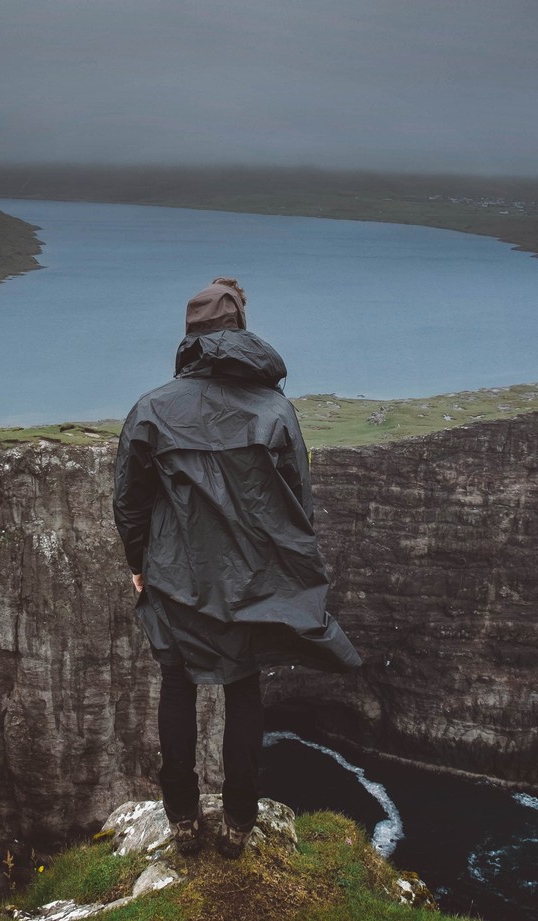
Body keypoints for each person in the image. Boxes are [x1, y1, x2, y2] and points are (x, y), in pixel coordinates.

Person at [112, 277, 362, 859]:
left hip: (175, 579)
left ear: (191, 338)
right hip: (253, 584)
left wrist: (139, 564)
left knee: (177, 685)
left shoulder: (152, 408)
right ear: (240, 330)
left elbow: (130, 500)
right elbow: (299, 499)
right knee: (243, 688)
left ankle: (181, 819)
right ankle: (239, 823)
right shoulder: (275, 409)